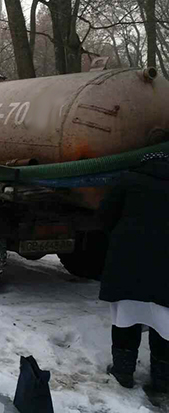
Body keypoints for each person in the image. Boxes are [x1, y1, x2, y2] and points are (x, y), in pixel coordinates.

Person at [98, 152, 169, 396]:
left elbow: (105, 216)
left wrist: (120, 238)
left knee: (125, 317)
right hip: (165, 266)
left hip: (128, 260)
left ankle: (123, 371)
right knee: (164, 322)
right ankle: (162, 379)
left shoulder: (127, 180)